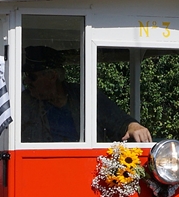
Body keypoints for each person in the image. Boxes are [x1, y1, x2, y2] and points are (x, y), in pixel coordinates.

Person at [20, 46, 152, 144]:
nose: (26, 81)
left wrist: (133, 126)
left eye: (32, 77)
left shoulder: (84, 96)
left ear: (52, 76)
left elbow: (118, 121)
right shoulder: (23, 103)